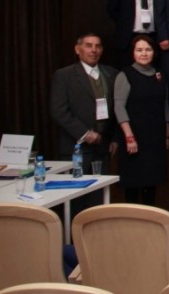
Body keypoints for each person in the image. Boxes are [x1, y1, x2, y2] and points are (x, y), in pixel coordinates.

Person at [50, 33, 118, 210]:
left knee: (99, 201)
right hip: (76, 148)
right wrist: (85, 133)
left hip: (102, 148)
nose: (93, 50)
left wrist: (114, 138)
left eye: (98, 46)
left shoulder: (111, 74)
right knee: (76, 202)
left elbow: (115, 109)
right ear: (77, 49)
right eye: (88, 45)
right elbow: (58, 111)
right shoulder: (64, 75)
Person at [113, 35, 168, 205]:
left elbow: (165, 105)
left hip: (155, 138)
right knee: (134, 183)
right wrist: (129, 137)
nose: (144, 53)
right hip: (134, 137)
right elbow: (119, 107)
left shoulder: (159, 75)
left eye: (148, 49)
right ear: (133, 53)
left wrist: (167, 134)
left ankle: (149, 220)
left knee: (151, 182)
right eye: (139, 50)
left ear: (154, 52)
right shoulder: (125, 74)